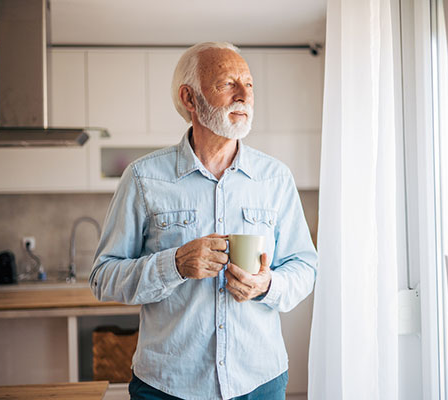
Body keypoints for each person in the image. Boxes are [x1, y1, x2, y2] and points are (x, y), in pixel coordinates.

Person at [90, 42, 318, 400]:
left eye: (249, 84)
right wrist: (174, 265)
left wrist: (267, 285)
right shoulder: (143, 178)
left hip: (259, 382)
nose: (244, 95)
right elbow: (103, 276)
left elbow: (305, 266)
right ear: (190, 98)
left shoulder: (275, 178)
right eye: (228, 84)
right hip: (167, 386)